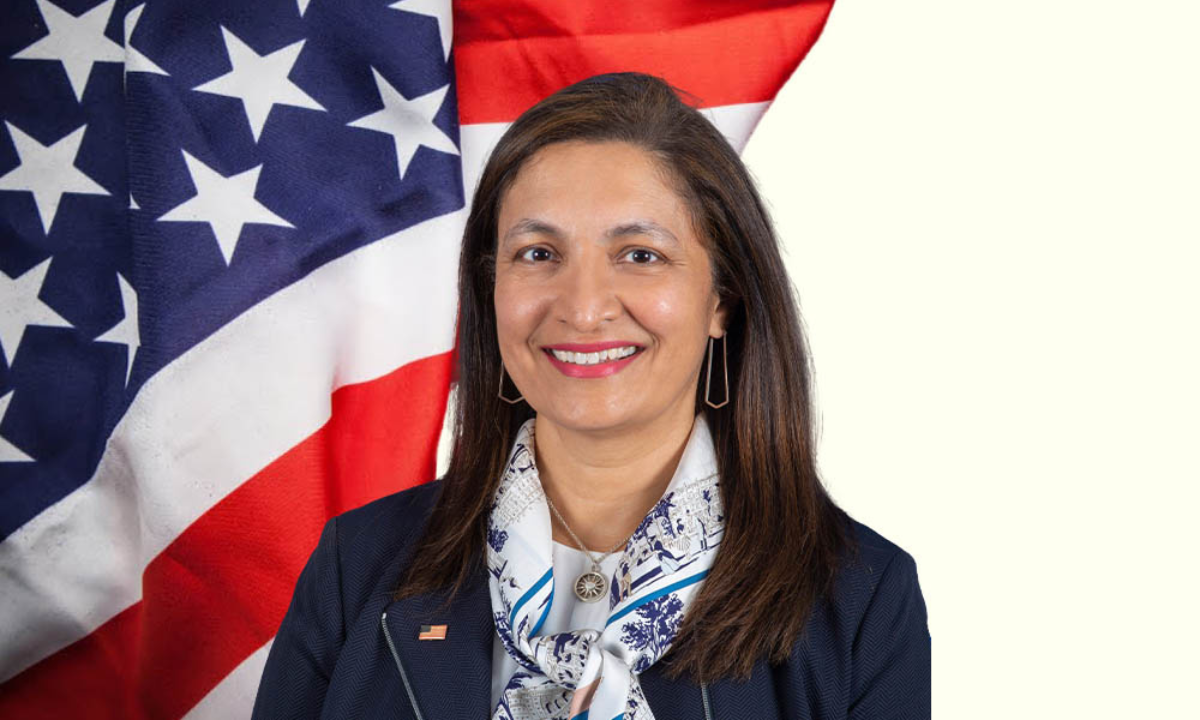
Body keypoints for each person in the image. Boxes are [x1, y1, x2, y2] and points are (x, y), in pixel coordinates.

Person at [252, 72, 930, 720]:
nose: (581, 309)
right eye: (538, 253)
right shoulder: (356, 568)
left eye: (639, 255)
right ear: (491, 288)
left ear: (722, 299)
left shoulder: (861, 601)